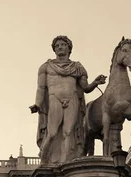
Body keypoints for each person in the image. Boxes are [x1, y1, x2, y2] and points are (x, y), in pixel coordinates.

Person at [30, 36, 106, 164]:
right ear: (54, 49)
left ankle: (65, 164)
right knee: (52, 132)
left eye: (63, 45)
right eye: (57, 45)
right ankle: (43, 162)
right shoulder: (46, 67)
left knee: (68, 132)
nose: (60, 47)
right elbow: (41, 88)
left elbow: (85, 88)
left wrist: (96, 82)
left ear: (69, 48)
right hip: (54, 98)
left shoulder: (77, 67)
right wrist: (37, 104)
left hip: (72, 99)